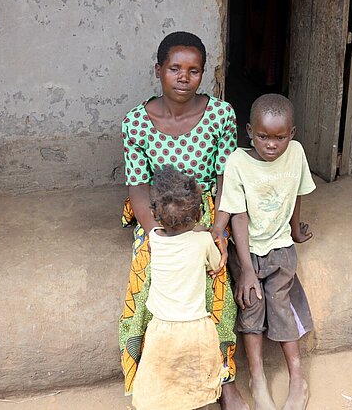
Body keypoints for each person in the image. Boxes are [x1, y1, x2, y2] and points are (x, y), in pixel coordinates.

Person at [119, 31, 248, 410]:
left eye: (193, 71)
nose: (183, 77)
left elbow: (228, 175)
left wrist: (217, 227)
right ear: (158, 71)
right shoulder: (136, 123)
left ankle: (223, 378)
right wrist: (157, 233)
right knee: (145, 286)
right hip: (157, 214)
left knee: (217, 283)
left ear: (203, 74)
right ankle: (151, 376)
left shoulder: (221, 115)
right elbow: (139, 188)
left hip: (206, 208)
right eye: (174, 68)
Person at [213, 94, 316, 410]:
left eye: (280, 137)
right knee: (251, 307)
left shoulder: (295, 154)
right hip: (249, 252)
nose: (271, 144)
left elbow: (298, 192)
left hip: (281, 248)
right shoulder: (238, 163)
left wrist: (296, 230)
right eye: (263, 136)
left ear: (292, 134)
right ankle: (258, 380)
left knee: (280, 303)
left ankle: (297, 378)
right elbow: (237, 215)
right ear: (249, 131)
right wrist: (245, 268)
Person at [132, 165, 224, 410]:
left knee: (160, 386)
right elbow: (215, 264)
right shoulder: (203, 240)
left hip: (161, 330)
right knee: (198, 389)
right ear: (197, 215)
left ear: (155, 213)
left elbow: (164, 234)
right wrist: (204, 234)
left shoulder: (154, 240)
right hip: (196, 329)